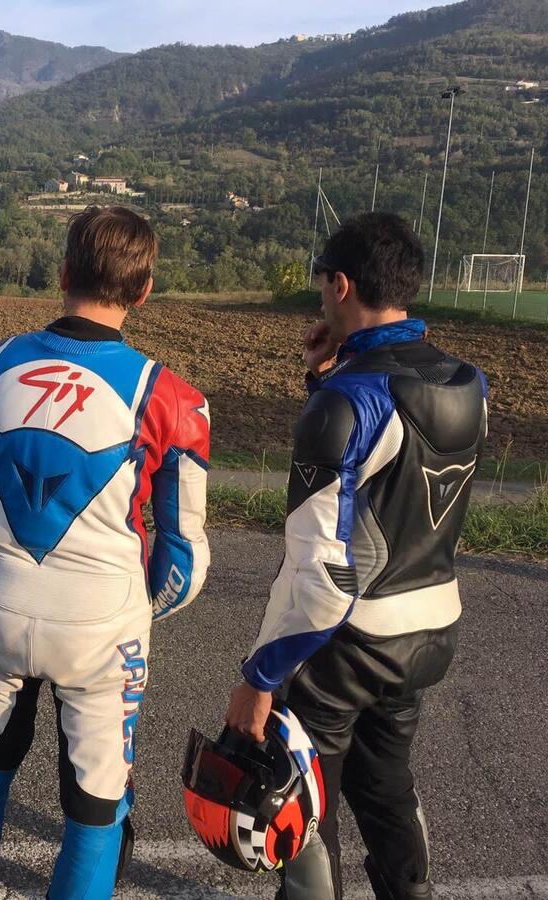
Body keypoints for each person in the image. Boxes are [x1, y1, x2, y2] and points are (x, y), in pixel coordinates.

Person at [0, 205, 211, 899]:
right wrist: (132, 611)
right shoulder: (172, 399)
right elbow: (182, 565)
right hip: (101, 625)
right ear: (144, 290)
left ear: (62, 274)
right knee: (94, 808)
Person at [224, 212, 488, 900]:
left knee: (306, 802)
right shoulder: (469, 383)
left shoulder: (348, 401)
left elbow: (318, 574)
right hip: (431, 626)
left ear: (340, 285)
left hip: (352, 639)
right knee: (385, 779)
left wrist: (259, 676)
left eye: (322, 285)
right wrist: (325, 379)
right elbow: (390, 485)